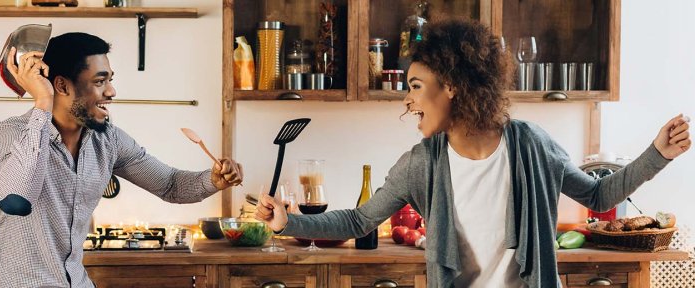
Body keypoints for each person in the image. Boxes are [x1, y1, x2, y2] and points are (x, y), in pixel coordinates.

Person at [256, 18, 690, 287]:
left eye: (415, 87)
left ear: (453, 86)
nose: (407, 102)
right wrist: (288, 221)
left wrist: (657, 153)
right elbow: (358, 220)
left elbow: (599, 196)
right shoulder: (421, 163)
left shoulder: (531, 145)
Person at [0, 32, 244, 288]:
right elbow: (18, 200)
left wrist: (212, 180)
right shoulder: (13, 133)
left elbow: (170, 184)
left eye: (110, 80)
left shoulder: (108, 140)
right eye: (99, 81)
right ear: (61, 86)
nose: (112, 91)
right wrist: (43, 101)